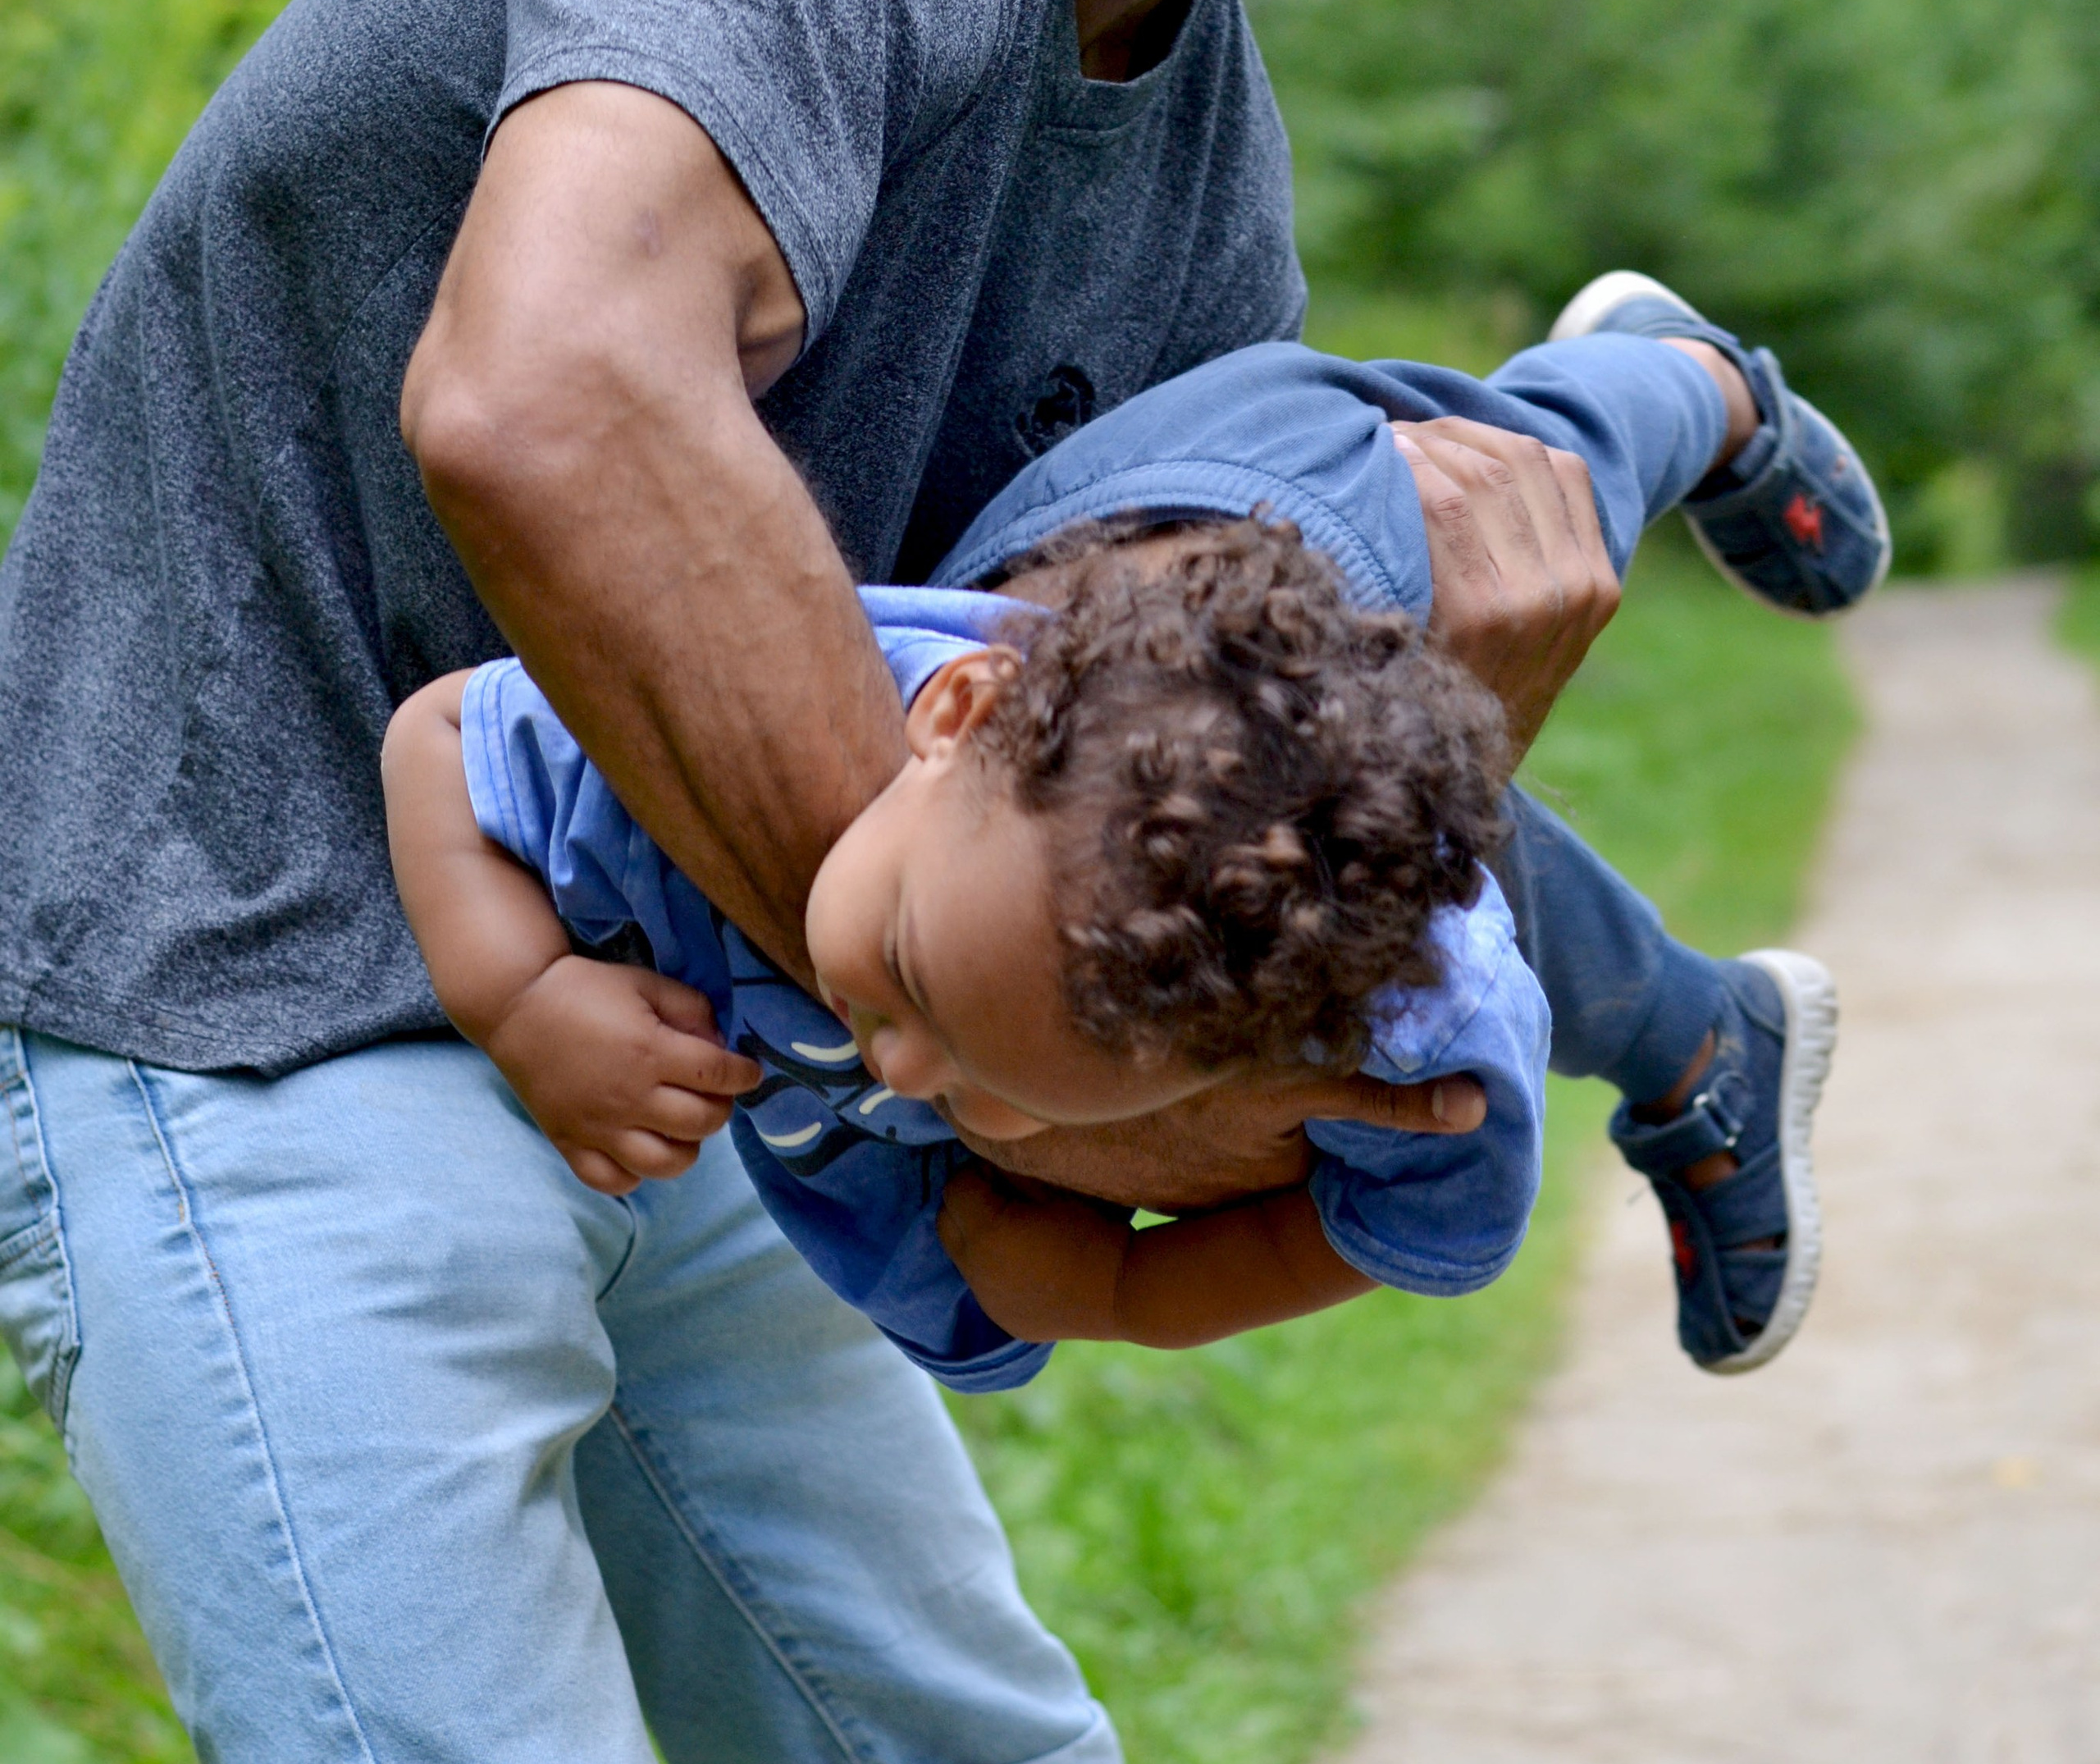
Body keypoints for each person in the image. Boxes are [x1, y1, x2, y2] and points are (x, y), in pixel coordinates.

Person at [0, 0, 1799, 1764]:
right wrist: (970, 1043)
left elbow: (1125, 785)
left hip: (718, 1005)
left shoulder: (1205, 156)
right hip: (252, 954)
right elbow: (545, 394)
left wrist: (1432, 757)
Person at [383, 274, 1878, 1392]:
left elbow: (1388, 1207)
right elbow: (445, 732)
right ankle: (1705, 1027)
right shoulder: (737, 746)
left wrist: (1120, 1288)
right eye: (905, 978)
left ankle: (1689, 389)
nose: (901, 1067)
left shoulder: (1423, 1025)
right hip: (1219, 523)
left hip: (1281, 623)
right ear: (951, 710)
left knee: (1494, 584)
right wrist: (516, 991)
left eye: (991, 1080)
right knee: (1461, 627)